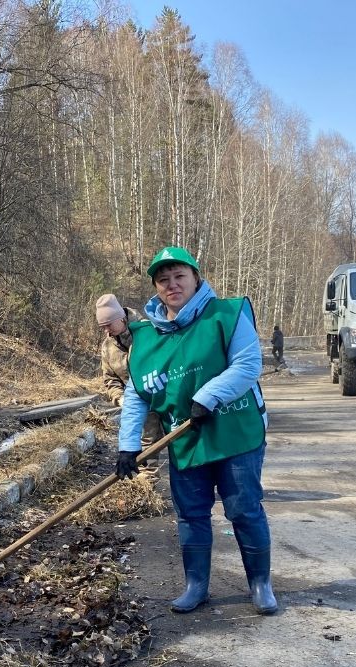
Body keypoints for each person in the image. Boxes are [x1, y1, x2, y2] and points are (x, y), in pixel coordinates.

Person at [116, 246, 278, 615]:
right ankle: (196, 586)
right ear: (156, 288)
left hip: (236, 431)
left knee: (243, 509)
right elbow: (137, 392)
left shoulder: (227, 314)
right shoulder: (145, 337)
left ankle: (261, 585)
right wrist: (127, 447)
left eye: (179, 276)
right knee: (190, 512)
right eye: (163, 280)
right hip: (185, 437)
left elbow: (248, 363)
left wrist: (208, 396)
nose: (172, 285)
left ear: (195, 278)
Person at [96, 293, 140, 403]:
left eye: (109, 325)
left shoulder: (147, 331)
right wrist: (120, 398)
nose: (106, 330)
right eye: (103, 327)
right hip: (133, 403)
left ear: (121, 319)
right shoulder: (107, 347)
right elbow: (111, 379)